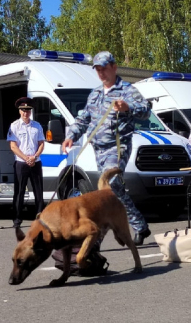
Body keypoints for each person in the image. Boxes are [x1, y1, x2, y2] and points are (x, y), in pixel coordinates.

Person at [61, 51, 151, 245]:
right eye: (98, 69)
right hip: (98, 149)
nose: (101, 73)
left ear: (114, 67)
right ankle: (139, 226)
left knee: (112, 186)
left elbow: (146, 110)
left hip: (117, 147)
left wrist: (128, 107)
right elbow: (83, 118)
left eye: (104, 68)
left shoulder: (127, 89)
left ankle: (99, 237)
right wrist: (71, 136)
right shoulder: (94, 93)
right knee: (108, 191)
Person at [7, 97, 45, 228]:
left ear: (31, 111)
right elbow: (13, 146)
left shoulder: (37, 126)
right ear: (19, 111)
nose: (25, 113)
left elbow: (41, 144)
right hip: (21, 163)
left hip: (35, 162)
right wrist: (25, 158)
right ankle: (17, 219)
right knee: (19, 192)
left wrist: (34, 156)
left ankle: (40, 218)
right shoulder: (14, 126)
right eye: (23, 110)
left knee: (38, 192)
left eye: (28, 110)